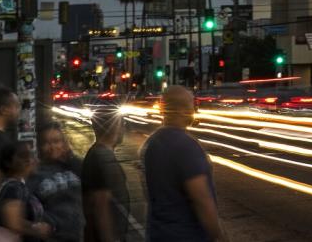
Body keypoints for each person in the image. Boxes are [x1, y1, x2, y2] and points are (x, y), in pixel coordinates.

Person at [143, 86, 226, 242]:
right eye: (191, 105)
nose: (194, 109)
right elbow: (201, 200)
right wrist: (219, 236)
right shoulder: (186, 146)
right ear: (181, 110)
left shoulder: (152, 143)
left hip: (158, 234)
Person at [29, 122, 84, 241]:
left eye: (56, 141)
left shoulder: (73, 166)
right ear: (38, 146)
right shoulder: (33, 173)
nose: (52, 147)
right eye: (46, 143)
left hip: (77, 236)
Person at [82, 106, 129, 242]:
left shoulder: (96, 154)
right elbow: (100, 206)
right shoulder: (102, 158)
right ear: (115, 127)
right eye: (123, 124)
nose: (124, 128)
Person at [0, 141, 53, 241]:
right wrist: (39, 229)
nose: (29, 159)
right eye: (23, 155)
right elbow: (13, 223)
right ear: (8, 163)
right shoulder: (13, 187)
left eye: (31, 154)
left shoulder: (19, 185)